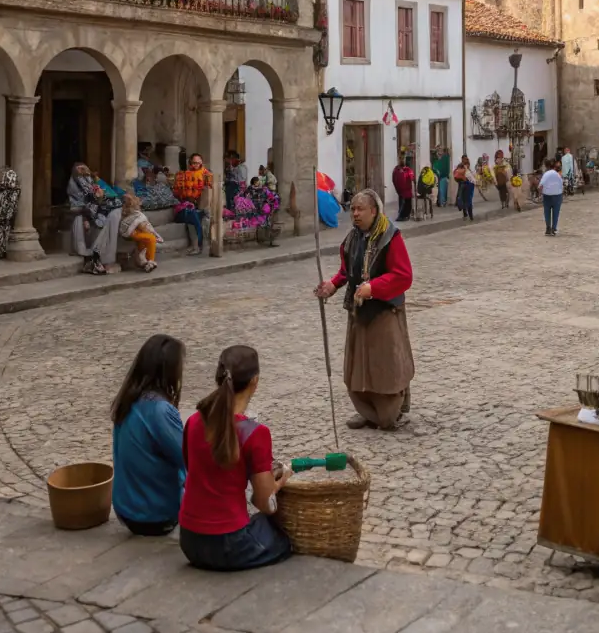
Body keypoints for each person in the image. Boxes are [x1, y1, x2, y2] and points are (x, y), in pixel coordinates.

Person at [179, 345, 292, 571]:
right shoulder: (256, 433)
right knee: (285, 537)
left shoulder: (193, 421)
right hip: (230, 544)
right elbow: (265, 503)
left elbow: (193, 469)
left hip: (189, 540)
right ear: (255, 381)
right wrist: (280, 481)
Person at [315, 189, 415, 430]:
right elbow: (346, 271)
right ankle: (368, 412)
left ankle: (389, 414)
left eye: (360, 209)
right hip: (359, 311)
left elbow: (403, 276)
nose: (356, 214)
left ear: (374, 210)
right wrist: (332, 285)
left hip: (384, 311)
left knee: (386, 365)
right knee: (359, 365)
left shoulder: (390, 237)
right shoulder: (352, 238)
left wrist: (374, 287)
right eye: (353, 210)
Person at [111, 334, 186, 535]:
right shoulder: (160, 410)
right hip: (154, 515)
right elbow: (188, 459)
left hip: (126, 509)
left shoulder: (128, 400)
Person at [68, 163, 120, 274]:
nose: (82, 172)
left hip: (96, 208)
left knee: (109, 214)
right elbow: (82, 199)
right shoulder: (74, 182)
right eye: (79, 169)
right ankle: (94, 259)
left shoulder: (90, 179)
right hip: (82, 209)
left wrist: (99, 196)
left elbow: (99, 193)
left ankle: (98, 257)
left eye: (84, 169)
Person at [119, 192, 163, 272]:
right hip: (133, 233)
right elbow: (139, 226)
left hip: (135, 233)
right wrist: (153, 233)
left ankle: (144, 261)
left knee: (144, 241)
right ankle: (150, 261)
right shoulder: (136, 214)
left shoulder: (134, 213)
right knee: (151, 238)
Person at [539, 160, 564, 236]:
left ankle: (548, 228)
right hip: (557, 195)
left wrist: (540, 193)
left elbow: (541, 184)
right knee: (556, 213)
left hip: (547, 195)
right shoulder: (557, 175)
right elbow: (561, 184)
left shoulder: (546, 174)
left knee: (547, 212)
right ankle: (554, 228)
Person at [392, 152, 415, 223]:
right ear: (398, 159)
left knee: (407, 205)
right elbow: (394, 180)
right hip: (401, 192)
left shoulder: (407, 169)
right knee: (402, 205)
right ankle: (401, 216)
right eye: (400, 158)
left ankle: (405, 216)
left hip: (407, 192)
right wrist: (398, 190)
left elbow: (412, 178)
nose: (402, 160)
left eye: (403, 158)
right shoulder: (396, 170)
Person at [453, 155, 475, 220]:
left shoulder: (460, 166)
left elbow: (456, 175)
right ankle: (469, 215)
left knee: (462, 198)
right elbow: (472, 179)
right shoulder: (466, 168)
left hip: (462, 184)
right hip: (467, 184)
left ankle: (465, 212)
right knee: (468, 200)